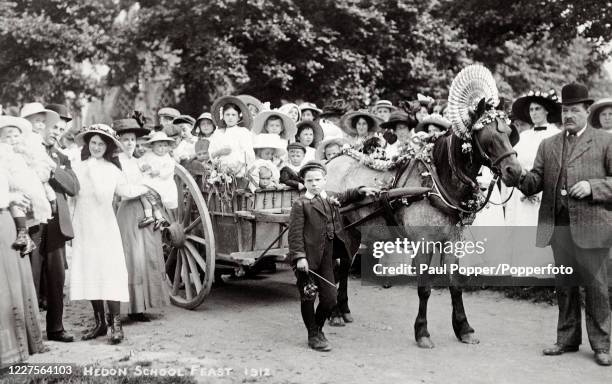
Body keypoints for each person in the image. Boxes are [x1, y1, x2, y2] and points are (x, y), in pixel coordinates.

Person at [518, 83, 612, 366]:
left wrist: (593, 186)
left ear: (586, 111)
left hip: (593, 226)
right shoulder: (549, 144)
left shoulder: (605, 141)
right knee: (565, 286)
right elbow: (534, 181)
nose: (568, 115)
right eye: (564, 110)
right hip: (558, 226)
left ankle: (602, 344)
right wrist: (516, 176)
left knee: (596, 287)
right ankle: (567, 338)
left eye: (574, 110)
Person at [71, 124, 148, 344]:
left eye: (101, 143)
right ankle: (99, 323)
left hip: (105, 226)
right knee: (90, 272)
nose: (96, 147)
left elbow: (126, 191)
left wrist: (148, 186)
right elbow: (70, 196)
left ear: (108, 147)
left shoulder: (114, 170)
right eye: (93, 143)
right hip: (83, 227)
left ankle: (116, 324)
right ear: (88, 145)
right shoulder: (78, 167)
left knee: (110, 272)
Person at [288, 161, 377, 351]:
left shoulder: (329, 198)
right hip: (308, 259)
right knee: (308, 296)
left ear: (325, 180)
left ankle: (318, 328)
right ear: (304, 182)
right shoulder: (300, 204)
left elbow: (345, 196)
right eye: (310, 180)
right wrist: (299, 257)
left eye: (318, 180)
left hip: (327, 258)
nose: (314, 183)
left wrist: (361, 190)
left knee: (330, 299)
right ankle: (314, 334)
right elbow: (295, 234)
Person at [25, 111, 80, 343]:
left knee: (57, 276)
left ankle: (56, 328)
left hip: (57, 224)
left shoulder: (61, 157)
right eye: (53, 128)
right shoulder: (27, 152)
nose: (56, 133)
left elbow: (73, 187)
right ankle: (30, 333)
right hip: (34, 221)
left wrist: (53, 169)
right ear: (42, 127)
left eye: (60, 130)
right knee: (31, 276)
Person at [114, 119, 168, 322]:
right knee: (132, 257)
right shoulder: (117, 162)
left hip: (144, 210)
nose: (129, 143)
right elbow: (124, 192)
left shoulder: (137, 161)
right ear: (118, 141)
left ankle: (142, 306)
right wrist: (146, 188)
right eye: (125, 139)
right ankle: (130, 306)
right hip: (128, 212)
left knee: (147, 256)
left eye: (132, 140)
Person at [506, 90, 562, 276]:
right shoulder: (525, 136)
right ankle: (524, 272)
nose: (534, 113)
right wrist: (522, 185)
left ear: (547, 111)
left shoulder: (556, 134)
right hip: (522, 189)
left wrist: (538, 190)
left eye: (538, 109)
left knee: (542, 227)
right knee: (523, 228)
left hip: (545, 190)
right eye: (531, 109)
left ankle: (544, 272)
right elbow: (515, 163)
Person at [0, 168, 46, 368]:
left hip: (4, 221)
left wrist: (17, 196)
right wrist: (11, 196)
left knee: (10, 286)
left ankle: (16, 348)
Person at [0, 118, 53, 255]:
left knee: (27, 204)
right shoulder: (3, 152)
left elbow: (38, 167)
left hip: (27, 182)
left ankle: (25, 234)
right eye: (8, 137)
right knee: (17, 206)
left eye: (16, 136)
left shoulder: (23, 150)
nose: (12, 140)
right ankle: (24, 234)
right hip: (11, 186)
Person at [209, 96, 255, 183]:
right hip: (221, 173)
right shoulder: (218, 133)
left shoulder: (243, 132)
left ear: (238, 117)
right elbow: (212, 152)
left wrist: (236, 169)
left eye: (233, 115)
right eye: (227, 114)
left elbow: (248, 153)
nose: (230, 118)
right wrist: (219, 153)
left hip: (239, 173)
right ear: (223, 116)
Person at [138, 131, 178, 230]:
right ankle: (156, 217)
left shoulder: (168, 158)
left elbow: (169, 170)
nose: (162, 148)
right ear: (152, 146)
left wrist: (159, 172)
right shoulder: (149, 154)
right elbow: (141, 161)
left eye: (165, 146)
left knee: (147, 194)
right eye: (159, 146)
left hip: (162, 184)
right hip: (150, 182)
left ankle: (151, 216)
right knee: (145, 194)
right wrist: (143, 166)